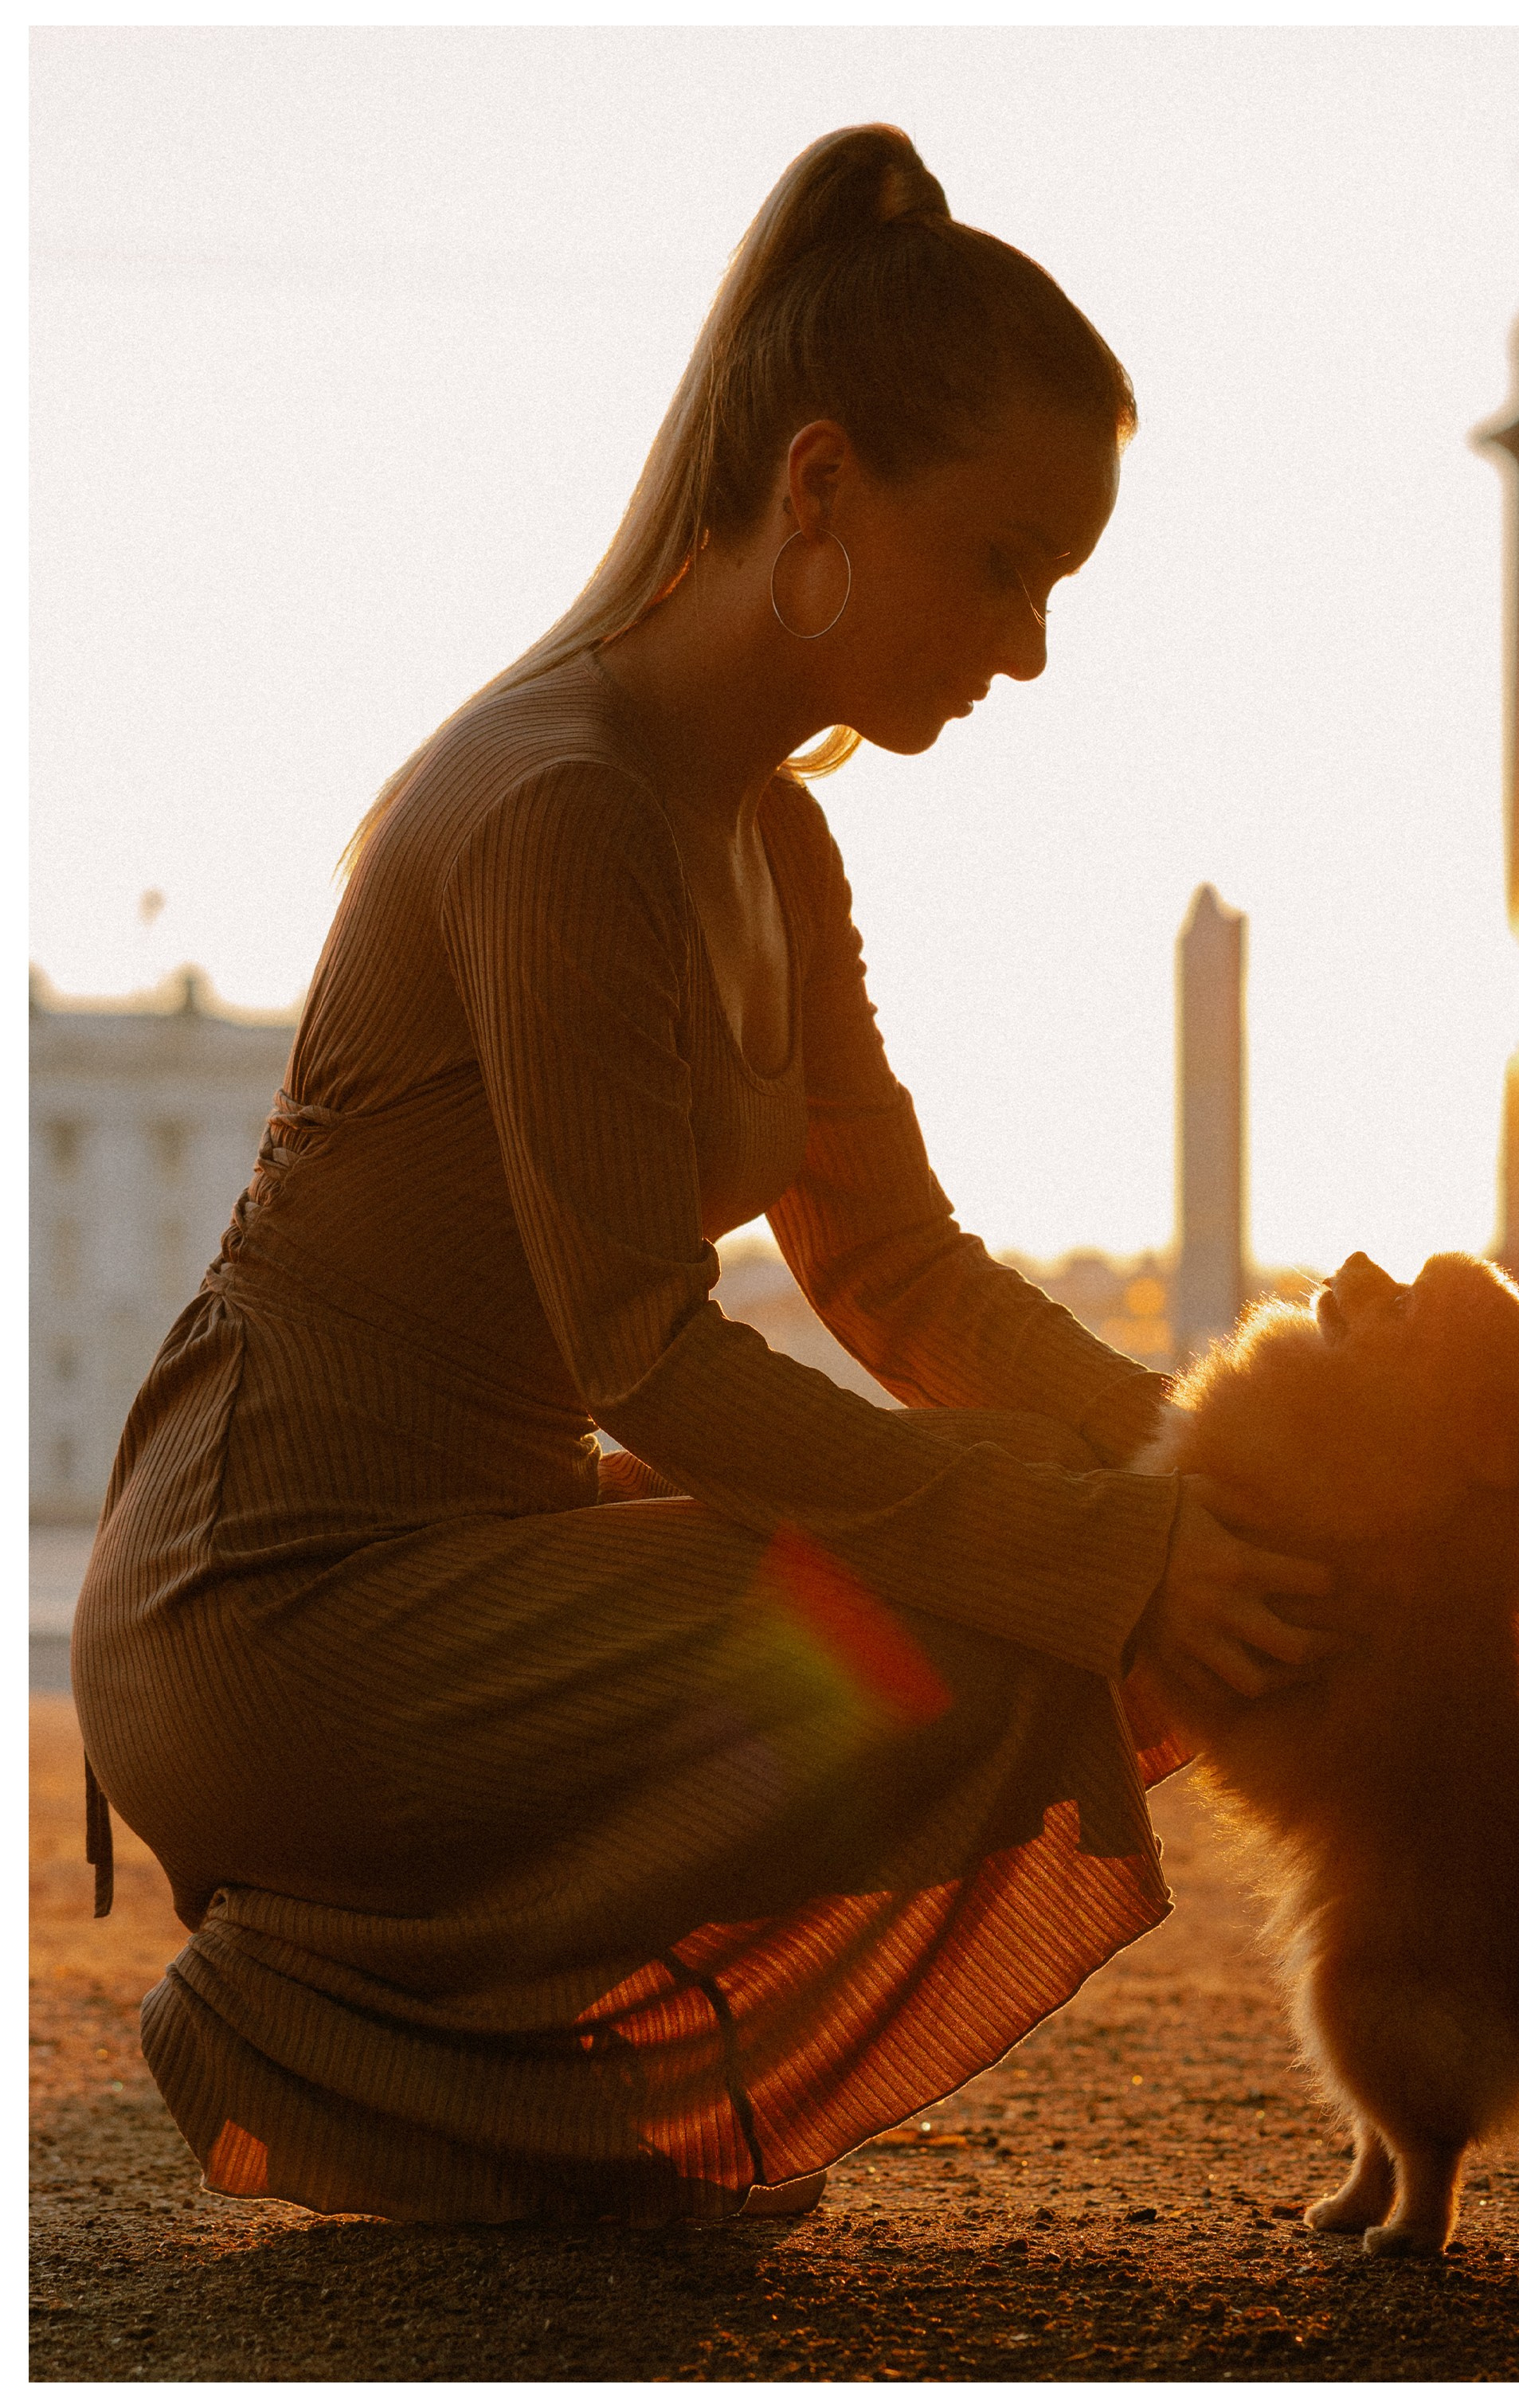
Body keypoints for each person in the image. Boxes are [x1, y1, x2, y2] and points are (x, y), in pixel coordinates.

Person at [72, 123, 1335, 2227]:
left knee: (1021, 1580)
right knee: (969, 1618)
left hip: (467, 1554)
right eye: (1007, 560)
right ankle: (326, 2011)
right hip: (271, 1619)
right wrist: (1095, 1549)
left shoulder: (774, 842)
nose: (1026, 646)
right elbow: (650, 1356)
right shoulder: (557, 807)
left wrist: (1190, 1457)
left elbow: (902, 1275)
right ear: (820, 486)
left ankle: (411, 2021)